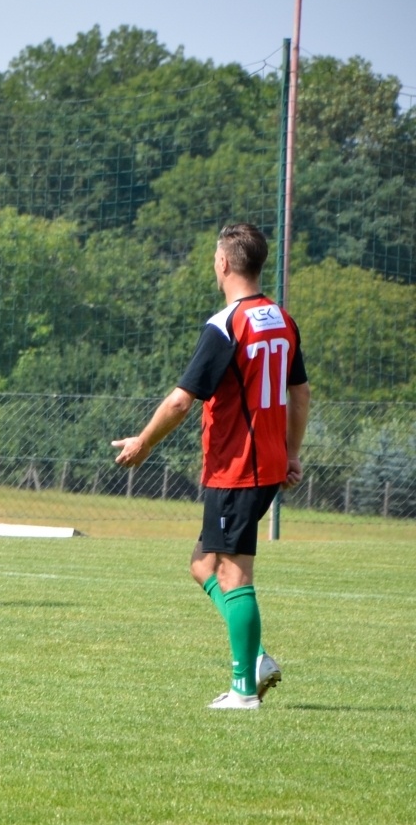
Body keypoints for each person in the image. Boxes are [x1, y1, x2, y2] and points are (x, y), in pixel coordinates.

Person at [113, 223, 307, 710]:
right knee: (203, 565)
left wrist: (143, 442)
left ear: (223, 263)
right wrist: (291, 452)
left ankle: (243, 690)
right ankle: (256, 657)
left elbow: (181, 402)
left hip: (237, 468)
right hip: (266, 466)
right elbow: (299, 391)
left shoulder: (226, 324)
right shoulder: (282, 320)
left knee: (235, 575)